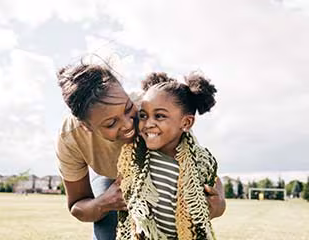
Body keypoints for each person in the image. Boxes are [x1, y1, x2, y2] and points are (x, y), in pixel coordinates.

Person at [55, 63, 225, 240]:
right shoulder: (71, 137)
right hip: (111, 179)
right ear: (86, 126)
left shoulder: (153, 111)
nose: (129, 125)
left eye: (129, 109)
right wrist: (104, 203)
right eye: (111, 123)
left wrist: (218, 202)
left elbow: (201, 168)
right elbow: (77, 206)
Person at [116, 72, 222, 239]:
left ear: (186, 123)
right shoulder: (136, 155)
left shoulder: (198, 160)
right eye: (143, 115)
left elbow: (214, 180)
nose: (148, 123)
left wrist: (220, 203)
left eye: (159, 116)